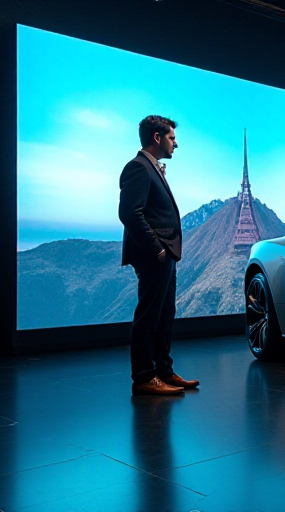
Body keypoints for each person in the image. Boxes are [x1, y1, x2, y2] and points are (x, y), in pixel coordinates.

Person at [119, 115, 199, 396]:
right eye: (172, 138)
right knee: (149, 314)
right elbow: (129, 213)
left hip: (165, 255)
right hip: (154, 256)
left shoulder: (151, 168)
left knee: (165, 313)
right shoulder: (138, 168)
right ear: (157, 137)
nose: (176, 144)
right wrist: (157, 249)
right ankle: (143, 377)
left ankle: (163, 371)